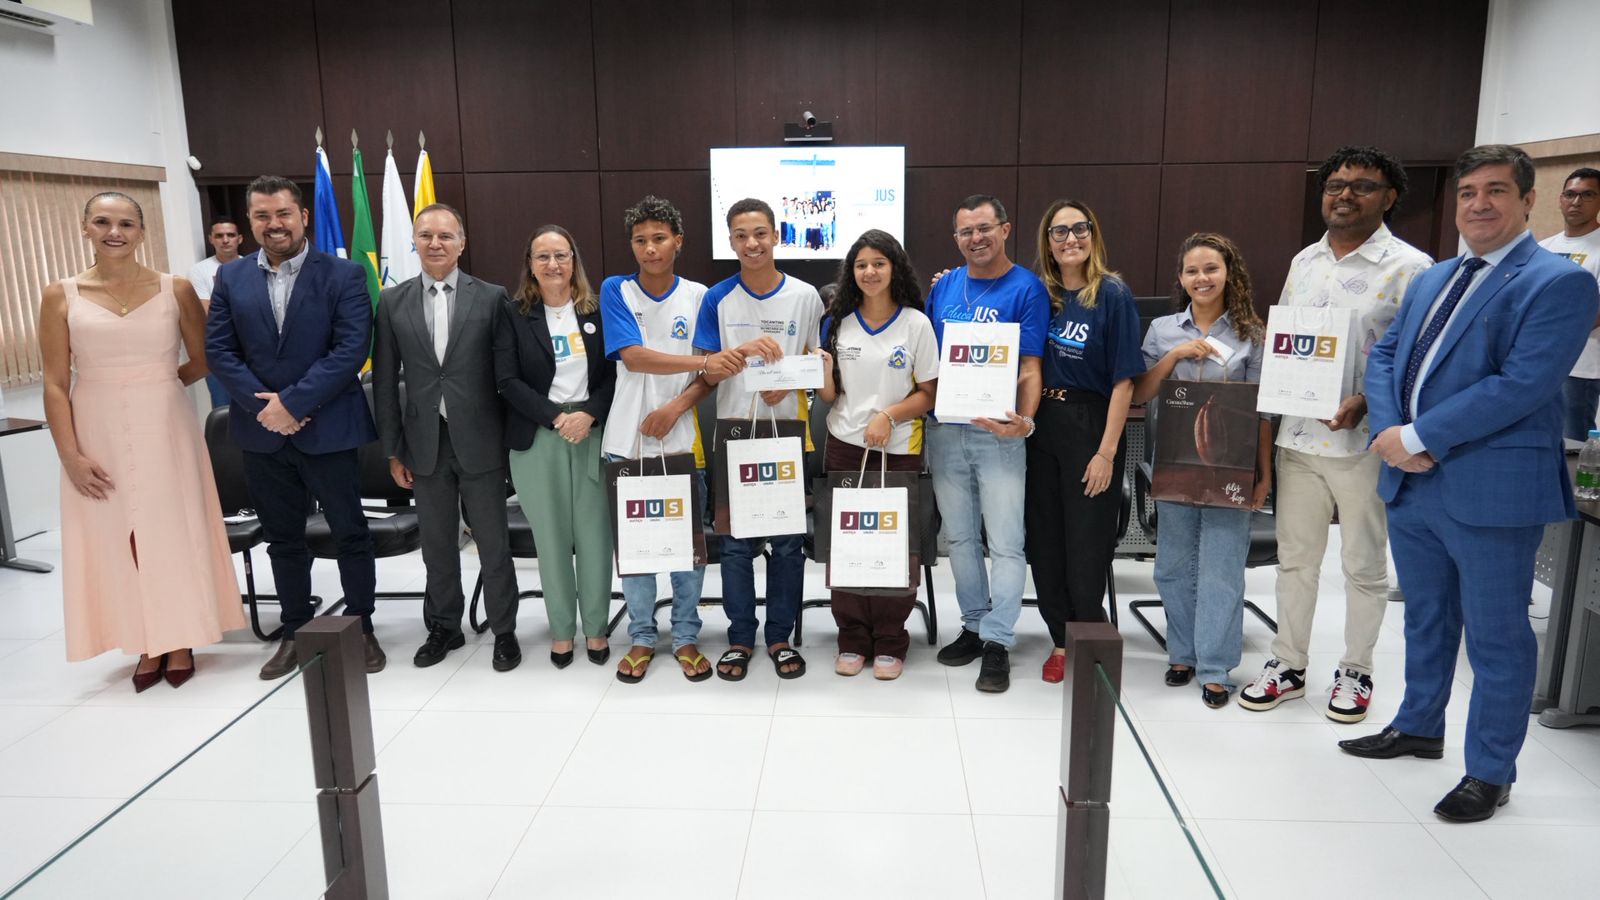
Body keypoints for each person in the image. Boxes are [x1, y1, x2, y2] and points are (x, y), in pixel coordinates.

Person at [1340, 144, 1600, 823]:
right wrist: (1393, 435)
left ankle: (1489, 770)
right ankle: (1419, 724)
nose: (1478, 204)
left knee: (1496, 636)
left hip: (1491, 489)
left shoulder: (1558, 282)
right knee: (1426, 617)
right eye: (1467, 193)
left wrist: (1417, 437)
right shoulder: (1435, 277)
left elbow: (1523, 384)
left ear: (1527, 200)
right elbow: (1387, 355)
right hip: (1413, 483)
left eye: (1495, 191)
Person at [1239, 146, 1432, 722]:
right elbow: (1288, 343)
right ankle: (1288, 663)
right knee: (1296, 560)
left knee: (1363, 564)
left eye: (1362, 186)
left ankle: (1356, 669)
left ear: (1389, 197)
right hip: (1299, 439)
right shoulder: (1305, 260)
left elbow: (1420, 359)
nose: (1345, 195)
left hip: (1367, 442)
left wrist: (1366, 402)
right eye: (1334, 186)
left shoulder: (1411, 268)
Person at [39, 192, 244, 690]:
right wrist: (70, 455)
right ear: (85, 228)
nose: (115, 232)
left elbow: (203, 358)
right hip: (97, 426)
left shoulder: (175, 289)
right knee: (117, 535)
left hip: (165, 422)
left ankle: (181, 636)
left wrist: (158, 381)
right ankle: (144, 639)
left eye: (126, 223)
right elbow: (54, 382)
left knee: (171, 529)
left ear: (142, 231)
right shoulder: (60, 295)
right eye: (103, 222)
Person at [208, 175, 386, 680]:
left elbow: (351, 349)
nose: (274, 224)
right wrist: (267, 408)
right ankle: (295, 631)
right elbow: (220, 350)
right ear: (250, 222)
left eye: (283, 213)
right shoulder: (231, 278)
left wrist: (293, 403)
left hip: (329, 428)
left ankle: (361, 626)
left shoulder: (345, 274)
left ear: (303, 216)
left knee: (350, 532)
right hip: (261, 432)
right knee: (282, 538)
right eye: (262, 215)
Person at [373, 203, 522, 673]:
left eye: (445, 235)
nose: (434, 243)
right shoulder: (392, 301)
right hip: (423, 443)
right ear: (414, 242)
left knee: (493, 545)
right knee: (437, 546)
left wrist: (509, 442)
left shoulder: (493, 297)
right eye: (426, 235)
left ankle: (504, 630)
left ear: (462, 243)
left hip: (482, 440)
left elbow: (507, 375)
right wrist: (393, 449)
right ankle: (444, 627)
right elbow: (384, 381)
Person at [599, 196, 741, 683]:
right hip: (626, 440)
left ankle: (684, 636)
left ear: (678, 241)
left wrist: (675, 407)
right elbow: (634, 357)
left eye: (659, 238)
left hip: (681, 440)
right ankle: (641, 635)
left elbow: (713, 374)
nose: (650, 248)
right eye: (640, 240)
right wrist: (702, 361)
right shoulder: (616, 289)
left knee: (686, 548)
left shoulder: (701, 296)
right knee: (636, 548)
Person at [1133, 233, 1271, 709]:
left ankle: (1214, 666)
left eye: (1211, 268)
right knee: (1172, 566)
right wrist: (1174, 356)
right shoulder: (1162, 330)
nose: (1202, 278)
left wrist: (1263, 475)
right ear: (1181, 278)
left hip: (1231, 464)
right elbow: (1140, 393)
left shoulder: (1252, 334)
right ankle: (1182, 652)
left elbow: (1263, 412)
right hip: (1175, 460)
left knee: (1221, 568)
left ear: (1229, 274)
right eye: (1192, 270)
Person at [693, 198, 824, 682]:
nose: (752, 243)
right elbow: (705, 371)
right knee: (734, 545)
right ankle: (740, 638)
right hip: (734, 435)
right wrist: (740, 354)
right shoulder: (717, 298)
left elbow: (821, 363)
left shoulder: (806, 297)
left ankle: (780, 637)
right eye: (741, 235)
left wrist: (789, 382)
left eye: (761, 233)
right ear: (730, 241)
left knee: (788, 545)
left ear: (776, 236)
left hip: (787, 436)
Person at [927, 194, 1049, 694]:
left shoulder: (1027, 288)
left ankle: (998, 640)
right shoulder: (945, 286)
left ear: (1004, 229)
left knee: (1005, 542)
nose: (975, 238)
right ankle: (974, 625)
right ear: (956, 238)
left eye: (984, 228)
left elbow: (1031, 366)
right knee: (958, 538)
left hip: (999, 433)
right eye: (965, 231)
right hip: (945, 429)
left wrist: (1026, 420)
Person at [1024, 200, 1143, 684]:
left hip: (1090, 423)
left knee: (1086, 543)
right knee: (1044, 542)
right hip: (1040, 424)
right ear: (1047, 242)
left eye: (1079, 228)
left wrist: (1106, 453)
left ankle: (1088, 638)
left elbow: (1125, 382)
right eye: (1059, 232)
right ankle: (1058, 639)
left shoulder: (1112, 294)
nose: (1070, 238)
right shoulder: (1039, 294)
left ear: (1093, 234)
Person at [817, 229, 939, 681]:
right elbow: (831, 396)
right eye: (861, 265)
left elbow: (929, 392)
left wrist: (889, 414)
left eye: (879, 263)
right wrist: (822, 374)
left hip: (898, 449)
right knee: (849, 542)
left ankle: (890, 639)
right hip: (845, 447)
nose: (869, 272)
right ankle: (851, 637)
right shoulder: (838, 322)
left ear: (895, 268)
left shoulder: (916, 324)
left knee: (892, 544)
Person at [494, 225, 616, 668]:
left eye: (561, 255)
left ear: (573, 260)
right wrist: (556, 417)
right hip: (537, 437)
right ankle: (562, 631)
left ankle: (597, 628)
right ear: (530, 264)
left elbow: (615, 374)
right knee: (551, 539)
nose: (552, 264)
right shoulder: (513, 314)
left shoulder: (598, 311)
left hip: (592, 433)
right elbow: (507, 380)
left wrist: (589, 414)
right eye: (542, 256)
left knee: (595, 537)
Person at [1538, 167, 1600, 441]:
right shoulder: (1542, 248)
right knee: (1537, 437)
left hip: (1579, 366)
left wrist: (1552, 336)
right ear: (1560, 199)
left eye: (1587, 195)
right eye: (1570, 194)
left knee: (1572, 444)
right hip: (1536, 361)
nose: (1576, 202)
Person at [188, 216, 243, 407]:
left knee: (255, 407)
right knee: (223, 409)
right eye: (219, 236)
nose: (225, 240)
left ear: (240, 239)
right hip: (218, 350)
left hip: (252, 350)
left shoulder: (253, 266)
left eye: (231, 235)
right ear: (211, 239)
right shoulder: (199, 271)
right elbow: (207, 314)